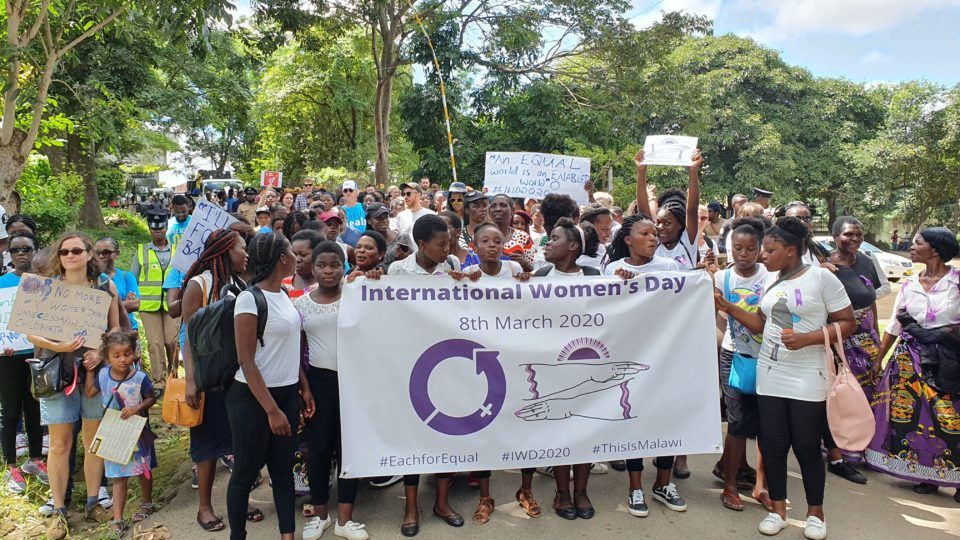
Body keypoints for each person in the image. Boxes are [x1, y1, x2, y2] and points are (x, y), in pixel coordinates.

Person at [717, 217, 856, 540]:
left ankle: (815, 513)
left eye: (770, 250)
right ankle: (778, 510)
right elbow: (762, 324)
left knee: (807, 446)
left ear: (791, 251)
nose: (763, 256)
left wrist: (808, 338)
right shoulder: (771, 280)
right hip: (770, 371)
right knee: (775, 444)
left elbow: (848, 323)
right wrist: (728, 307)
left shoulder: (821, 279)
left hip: (808, 372)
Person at [32, 232, 121, 539]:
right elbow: (32, 335)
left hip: (94, 376)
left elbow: (115, 328)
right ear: (59, 257)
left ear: (88, 254)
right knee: (59, 444)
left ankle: (95, 500)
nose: (70, 255)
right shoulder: (46, 289)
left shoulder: (104, 286)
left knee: (94, 440)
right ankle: (58, 509)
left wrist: (103, 352)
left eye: (76, 250)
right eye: (65, 251)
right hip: (58, 375)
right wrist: (60, 345)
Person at [599, 214, 687, 517]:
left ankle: (663, 482)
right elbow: (602, 313)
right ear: (628, 240)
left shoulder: (671, 267)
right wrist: (617, 287)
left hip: (665, 357)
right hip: (630, 357)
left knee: (666, 419)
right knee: (633, 420)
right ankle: (635, 487)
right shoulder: (612, 269)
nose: (653, 238)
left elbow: (683, 304)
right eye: (645, 233)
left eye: (655, 233)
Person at [227, 233, 313, 540]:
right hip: (253, 399)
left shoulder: (284, 295)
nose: (296, 256)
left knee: (282, 468)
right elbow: (246, 361)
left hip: (286, 394)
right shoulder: (249, 299)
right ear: (282, 258)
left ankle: (287, 535)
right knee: (245, 472)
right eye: (292, 251)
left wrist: (303, 386)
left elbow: (290, 347)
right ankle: (238, 535)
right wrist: (272, 411)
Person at [385, 214, 466, 535]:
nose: (448, 248)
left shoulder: (451, 268)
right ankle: (410, 507)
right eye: (442, 244)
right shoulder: (397, 271)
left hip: (447, 362)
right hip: (411, 364)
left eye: (449, 242)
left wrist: (467, 287)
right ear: (421, 244)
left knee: (446, 433)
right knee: (414, 437)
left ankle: (442, 502)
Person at [867, 227, 960, 504]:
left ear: (935, 249)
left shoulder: (957, 283)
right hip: (910, 361)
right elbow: (895, 324)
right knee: (918, 418)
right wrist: (879, 358)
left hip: (947, 361)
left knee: (951, 417)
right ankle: (928, 474)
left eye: (917, 243)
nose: (911, 246)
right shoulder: (910, 284)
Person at [180, 229, 257, 532]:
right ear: (226, 251)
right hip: (209, 381)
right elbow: (189, 339)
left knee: (240, 442)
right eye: (241, 248)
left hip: (237, 378)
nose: (246, 254)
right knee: (208, 447)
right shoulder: (199, 286)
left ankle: (240, 500)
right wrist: (190, 381)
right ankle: (204, 507)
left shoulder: (241, 283)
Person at [299, 242, 368, 540]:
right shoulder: (300, 305)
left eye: (335, 265)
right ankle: (320, 515)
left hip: (354, 382)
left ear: (345, 267)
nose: (329, 271)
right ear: (312, 269)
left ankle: (345, 519)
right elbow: (295, 352)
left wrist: (375, 277)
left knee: (350, 449)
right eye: (322, 265)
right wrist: (305, 389)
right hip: (319, 383)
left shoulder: (360, 296)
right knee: (319, 451)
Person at [712, 218, 770, 512]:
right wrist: (720, 345)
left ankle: (762, 485)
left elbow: (763, 324)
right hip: (733, 356)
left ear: (761, 249)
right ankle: (730, 484)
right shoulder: (722, 277)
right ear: (729, 247)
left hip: (769, 358)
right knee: (736, 422)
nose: (743, 253)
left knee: (766, 425)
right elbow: (719, 319)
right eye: (737, 248)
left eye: (750, 248)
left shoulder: (770, 277)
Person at [85, 329, 157, 540]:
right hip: (114, 433)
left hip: (137, 432)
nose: (123, 359)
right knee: (118, 475)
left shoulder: (140, 377)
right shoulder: (103, 375)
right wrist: (90, 370)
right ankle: (118, 518)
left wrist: (136, 408)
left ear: (133, 353)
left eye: (127, 354)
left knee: (143, 469)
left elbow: (151, 397)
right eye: (116, 356)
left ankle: (147, 502)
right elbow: (90, 392)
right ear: (107, 358)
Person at [828, 217, 883, 466]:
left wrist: (878, 339)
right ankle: (843, 448)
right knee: (845, 394)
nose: (854, 239)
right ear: (835, 237)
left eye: (858, 235)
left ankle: (868, 447)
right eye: (848, 235)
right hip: (840, 339)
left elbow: (871, 303)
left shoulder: (867, 262)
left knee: (871, 391)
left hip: (867, 339)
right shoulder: (825, 266)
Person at [0, 232, 45, 495]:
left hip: (37, 355)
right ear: (9, 254)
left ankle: (36, 460)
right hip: (7, 357)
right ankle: (11, 467)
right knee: (10, 412)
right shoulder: (1, 284)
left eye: (26, 249)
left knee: (36, 409)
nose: (21, 254)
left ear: (34, 251)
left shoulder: (44, 284)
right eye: (15, 250)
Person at [133, 210, 180, 384]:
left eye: (161, 228)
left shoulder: (177, 250)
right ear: (149, 229)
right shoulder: (141, 251)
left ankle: (173, 378)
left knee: (172, 342)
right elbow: (134, 278)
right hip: (149, 306)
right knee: (155, 344)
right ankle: (158, 381)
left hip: (173, 304)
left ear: (166, 227)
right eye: (154, 228)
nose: (157, 231)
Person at [94, 237, 140, 332]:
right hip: (99, 332)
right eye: (97, 252)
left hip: (126, 330)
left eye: (106, 252)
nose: (101, 256)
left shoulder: (126, 276)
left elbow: (135, 304)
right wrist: (124, 303)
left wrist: (103, 307)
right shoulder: (90, 278)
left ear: (117, 254)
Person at [489, 194, 534, 272]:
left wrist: (524, 263)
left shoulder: (523, 237)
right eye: (493, 206)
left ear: (512, 210)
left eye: (503, 205)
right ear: (489, 211)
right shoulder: (480, 235)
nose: (498, 209)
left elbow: (533, 270)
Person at [366, 202, 404, 271]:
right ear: (369, 221)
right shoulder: (365, 242)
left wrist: (404, 259)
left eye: (386, 217)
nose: (384, 221)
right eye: (379, 218)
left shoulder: (402, 238)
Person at [577, 205, 614, 270]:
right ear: (588, 228)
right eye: (604, 229)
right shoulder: (579, 257)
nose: (609, 233)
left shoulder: (603, 249)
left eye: (610, 228)